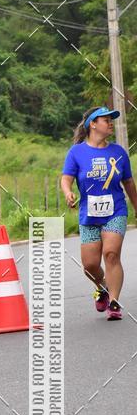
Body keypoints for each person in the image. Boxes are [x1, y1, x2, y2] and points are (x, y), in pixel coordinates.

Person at [61, 106, 137, 321]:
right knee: (90, 265)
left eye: (111, 120)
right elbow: (66, 178)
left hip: (116, 211)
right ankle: (102, 287)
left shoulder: (119, 152)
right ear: (92, 124)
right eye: (106, 120)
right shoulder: (76, 152)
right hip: (89, 215)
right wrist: (68, 193)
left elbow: (129, 183)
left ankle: (114, 301)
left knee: (111, 254)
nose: (110, 123)